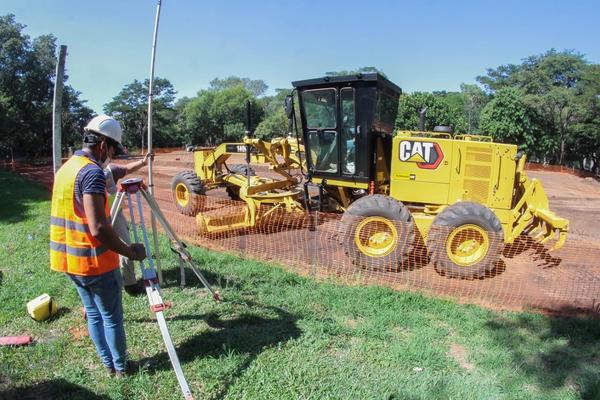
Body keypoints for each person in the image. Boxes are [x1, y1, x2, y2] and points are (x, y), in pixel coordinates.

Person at [50, 115, 146, 377]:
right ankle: (122, 367)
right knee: (112, 317)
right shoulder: (91, 173)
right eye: (113, 149)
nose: (112, 155)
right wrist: (130, 252)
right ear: (103, 144)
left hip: (70, 260)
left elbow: (112, 175)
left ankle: (108, 365)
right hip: (94, 262)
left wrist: (140, 162)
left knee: (94, 315)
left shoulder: (69, 167)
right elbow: (99, 228)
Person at [105, 152, 153, 296]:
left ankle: (130, 284)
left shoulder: (110, 170)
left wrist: (143, 162)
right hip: (102, 216)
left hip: (115, 214)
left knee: (124, 245)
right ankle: (116, 284)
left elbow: (126, 168)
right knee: (123, 246)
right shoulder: (94, 172)